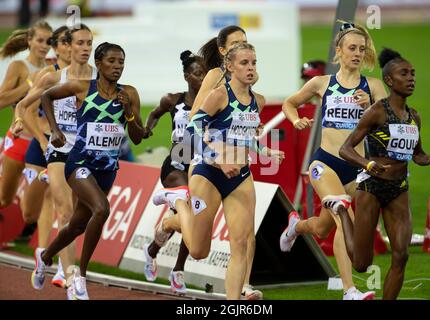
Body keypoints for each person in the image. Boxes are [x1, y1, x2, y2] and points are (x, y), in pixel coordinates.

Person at [153, 43, 283, 300]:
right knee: (199, 250)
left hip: (240, 177)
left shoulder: (258, 101)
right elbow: (192, 131)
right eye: (244, 63)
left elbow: (244, 135)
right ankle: (176, 209)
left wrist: (265, 151)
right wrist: (219, 159)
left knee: (241, 244)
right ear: (230, 67)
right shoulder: (219, 95)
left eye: (254, 63)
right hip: (208, 174)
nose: (251, 68)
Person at [279, 21, 387, 300]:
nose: (357, 53)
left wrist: (372, 108)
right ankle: (349, 290)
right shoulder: (321, 83)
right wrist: (297, 119)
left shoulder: (373, 87)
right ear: (338, 50)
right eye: (351, 48)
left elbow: (391, 123)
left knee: (321, 226)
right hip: (325, 162)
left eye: (361, 49)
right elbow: (289, 103)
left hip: (357, 168)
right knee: (344, 216)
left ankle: (297, 226)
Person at [30, 42, 146, 300]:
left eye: (121, 62)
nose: (117, 66)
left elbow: (137, 138)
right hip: (79, 163)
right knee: (102, 209)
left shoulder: (130, 93)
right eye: (112, 61)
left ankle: (45, 256)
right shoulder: (83, 87)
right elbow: (46, 96)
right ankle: (79, 277)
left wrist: (128, 113)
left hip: (107, 170)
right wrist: (56, 130)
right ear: (99, 62)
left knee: (76, 226)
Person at [329, 48, 430, 300]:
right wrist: (367, 165)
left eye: (413, 73)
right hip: (371, 187)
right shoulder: (377, 111)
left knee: (401, 255)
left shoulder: (414, 117)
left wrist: (428, 159)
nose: (411, 78)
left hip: (399, 188)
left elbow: (416, 153)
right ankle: (340, 210)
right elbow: (345, 149)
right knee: (361, 263)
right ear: (390, 81)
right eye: (404, 73)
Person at [14, 24, 96, 289]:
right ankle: (71, 276)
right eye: (79, 43)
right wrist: (37, 135)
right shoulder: (53, 78)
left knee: (76, 216)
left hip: (83, 154)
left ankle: (50, 259)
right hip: (57, 150)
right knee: (61, 211)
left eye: (88, 43)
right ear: (66, 47)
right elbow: (24, 106)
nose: (85, 49)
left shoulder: (99, 78)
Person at [141, 50, 206, 294]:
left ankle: (155, 252)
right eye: (197, 74)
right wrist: (148, 128)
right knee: (188, 207)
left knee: (189, 220)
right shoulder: (173, 100)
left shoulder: (214, 101)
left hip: (200, 166)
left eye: (205, 74)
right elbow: (154, 114)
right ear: (187, 76)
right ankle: (177, 269)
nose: (202, 79)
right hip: (176, 164)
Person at [18, 25, 71, 287]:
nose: (72, 47)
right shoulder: (46, 75)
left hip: (66, 149)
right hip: (42, 144)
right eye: (66, 42)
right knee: (29, 213)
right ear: (57, 47)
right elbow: (27, 111)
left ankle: (61, 266)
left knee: (64, 205)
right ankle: (43, 254)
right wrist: (41, 140)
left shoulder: (84, 77)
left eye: (77, 42)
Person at [0, 20, 52, 210]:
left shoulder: (52, 70)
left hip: (41, 141)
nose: (44, 46)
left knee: (44, 197)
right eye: (40, 40)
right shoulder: (19, 67)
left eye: (49, 41)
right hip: (20, 138)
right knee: (5, 198)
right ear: (29, 41)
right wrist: (30, 84)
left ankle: (33, 232)